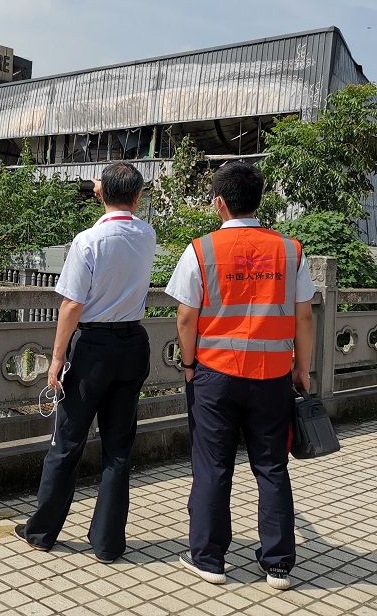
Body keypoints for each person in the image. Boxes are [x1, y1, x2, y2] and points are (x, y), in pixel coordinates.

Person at [165, 162, 314, 590]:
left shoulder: (201, 249)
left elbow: (186, 317)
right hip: (273, 378)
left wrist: (190, 365)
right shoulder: (291, 251)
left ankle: (209, 560)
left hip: (215, 375)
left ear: (219, 203)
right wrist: (301, 369)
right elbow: (304, 317)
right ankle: (279, 565)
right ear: (258, 201)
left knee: (212, 466)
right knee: (272, 467)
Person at [16, 161, 156, 563]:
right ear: (138, 197)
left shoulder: (88, 241)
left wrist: (57, 358)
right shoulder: (147, 234)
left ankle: (42, 531)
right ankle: (109, 543)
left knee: (68, 441)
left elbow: (72, 303)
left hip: (92, 347)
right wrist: (107, 191)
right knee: (118, 447)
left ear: (100, 194)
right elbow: (123, 213)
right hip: (133, 343)